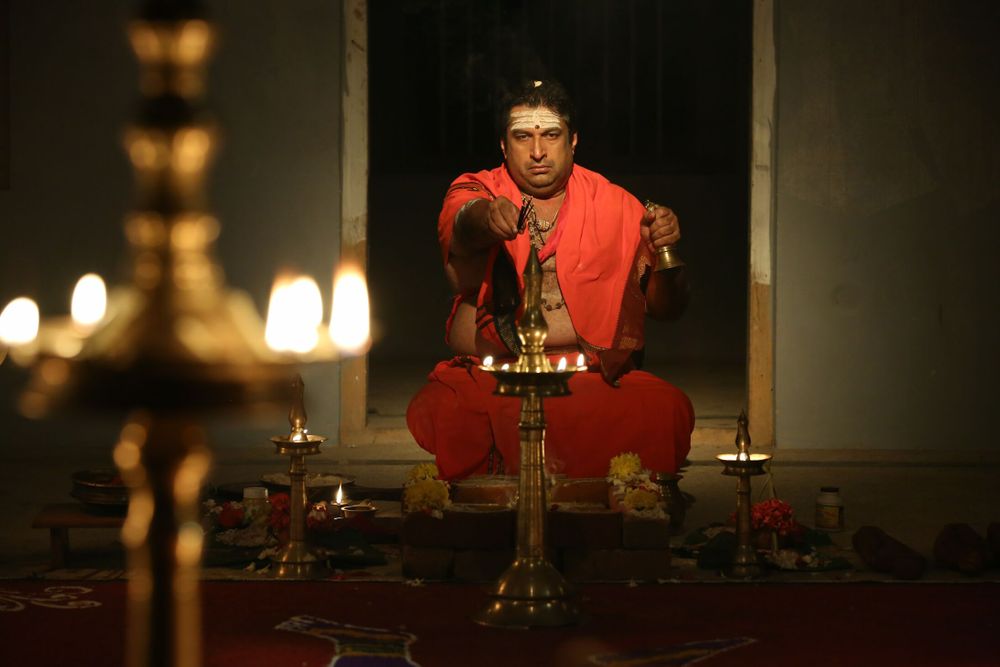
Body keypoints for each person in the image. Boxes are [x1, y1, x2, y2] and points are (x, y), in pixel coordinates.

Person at [406, 79, 694, 481]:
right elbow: (462, 219)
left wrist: (666, 251)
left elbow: (667, 309)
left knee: (665, 408)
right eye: (523, 136)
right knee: (445, 406)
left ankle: (583, 494)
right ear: (503, 145)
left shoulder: (615, 204)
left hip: (585, 375)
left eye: (551, 135)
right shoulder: (481, 189)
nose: (538, 151)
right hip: (497, 373)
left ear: (573, 141)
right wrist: (487, 218)